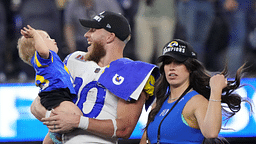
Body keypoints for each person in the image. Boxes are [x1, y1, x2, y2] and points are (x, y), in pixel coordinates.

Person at [30, 11, 160, 144]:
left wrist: (77, 121)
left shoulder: (133, 71)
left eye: (93, 30)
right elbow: (37, 104)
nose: (86, 35)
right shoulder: (75, 60)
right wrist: (57, 122)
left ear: (110, 36)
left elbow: (124, 129)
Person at [140, 39, 252, 144]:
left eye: (178, 62)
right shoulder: (158, 103)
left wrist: (216, 91)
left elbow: (211, 132)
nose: (172, 67)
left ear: (189, 67)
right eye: (168, 62)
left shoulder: (196, 101)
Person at [17, 25, 83, 144]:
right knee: (76, 116)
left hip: (59, 94)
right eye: (46, 38)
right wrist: (35, 34)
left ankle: (53, 136)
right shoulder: (43, 57)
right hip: (55, 94)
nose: (52, 40)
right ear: (37, 46)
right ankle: (55, 136)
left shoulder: (53, 60)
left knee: (63, 121)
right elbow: (42, 50)